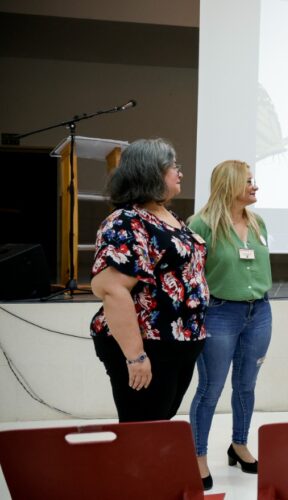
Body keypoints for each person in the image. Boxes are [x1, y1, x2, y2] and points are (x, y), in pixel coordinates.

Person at [90, 138, 208, 422]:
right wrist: (136, 357)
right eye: (173, 166)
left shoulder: (167, 216)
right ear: (151, 172)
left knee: (159, 424)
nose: (180, 173)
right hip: (149, 344)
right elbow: (113, 290)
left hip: (179, 342)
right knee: (143, 428)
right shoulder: (126, 221)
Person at [188, 160, 272, 490]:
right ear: (229, 184)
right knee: (210, 389)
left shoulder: (258, 222)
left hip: (259, 312)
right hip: (219, 314)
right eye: (248, 181)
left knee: (246, 385)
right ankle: (198, 456)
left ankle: (239, 444)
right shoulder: (201, 224)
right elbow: (190, 275)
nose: (255, 186)